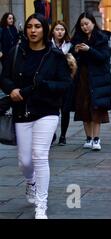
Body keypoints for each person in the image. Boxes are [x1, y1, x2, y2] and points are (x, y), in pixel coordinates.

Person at [0, 13, 72, 219]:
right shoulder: (15, 52)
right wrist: (12, 89)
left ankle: (41, 205)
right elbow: (3, 77)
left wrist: (45, 86)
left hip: (47, 111)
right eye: (30, 26)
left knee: (40, 156)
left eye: (37, 26)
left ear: (45, 29)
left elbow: (66, 84)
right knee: (25, 161)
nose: (33, 30)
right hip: (22, 111)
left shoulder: (55, 55)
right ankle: (30, 181)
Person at [71, 12, 111, 151]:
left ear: (93, 23)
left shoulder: (101, 38)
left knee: (96, 108)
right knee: (84, 108)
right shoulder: (77, 38)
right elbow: (72, 60)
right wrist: (75, 52)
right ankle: (88, 138)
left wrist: (89, 50)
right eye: (82, 25)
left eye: (87, 24)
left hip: (98, 78)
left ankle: (96, 138)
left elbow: (103, 57)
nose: (84, 27)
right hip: (82, 78)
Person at [49, 21, 76, 145]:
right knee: (52, 109)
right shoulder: (48, 45)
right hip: (51, 81)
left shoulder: (70, 46)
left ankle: (63, 136)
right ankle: (51, 133)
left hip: (66, 82)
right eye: (57, 29)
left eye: (62, 29)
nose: (59, 32)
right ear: (52, 31)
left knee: (65, 110)